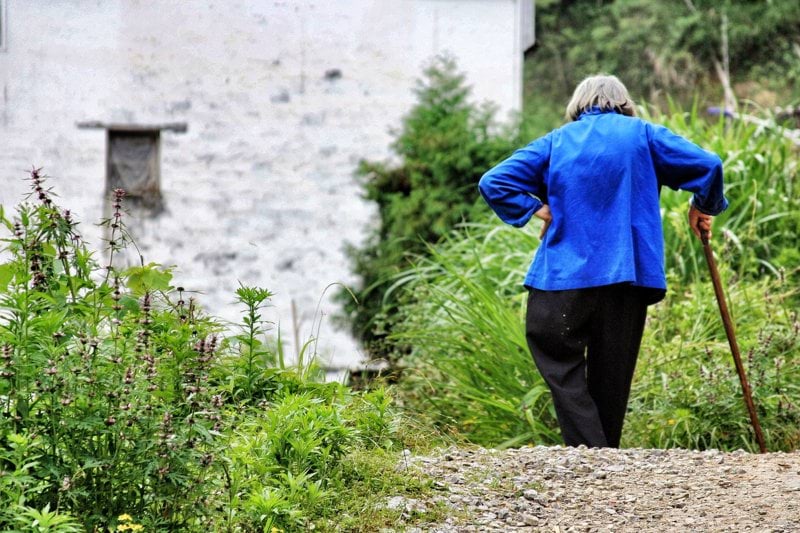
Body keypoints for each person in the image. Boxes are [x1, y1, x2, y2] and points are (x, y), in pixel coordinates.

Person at [478, 74, 728, 448]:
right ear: (625, 104)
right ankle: (602, 458)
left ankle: (590, 456)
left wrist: (536, 208)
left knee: (554, 350)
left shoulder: (556, 141)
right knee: (612, 374)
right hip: (627, 279)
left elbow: (494, 181)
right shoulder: (644, 135)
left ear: (578, 107)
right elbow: (709, 165)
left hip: (561, 280)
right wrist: (702, 206)